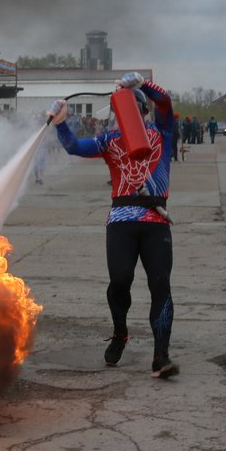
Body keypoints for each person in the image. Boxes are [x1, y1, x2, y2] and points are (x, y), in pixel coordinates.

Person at [47, 71, 179, 378]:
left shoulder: (162, 134)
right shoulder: (109, 141)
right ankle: (121, 333)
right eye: (122, 110)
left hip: (156, 220)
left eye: (135, 109)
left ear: (143, 112)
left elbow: (165, 102)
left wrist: (142, 84)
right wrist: (61, 121)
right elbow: (74, 147)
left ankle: (161, 355)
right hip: (120, 220)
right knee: (120, 281)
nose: (128, 115)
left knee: (161, 285)